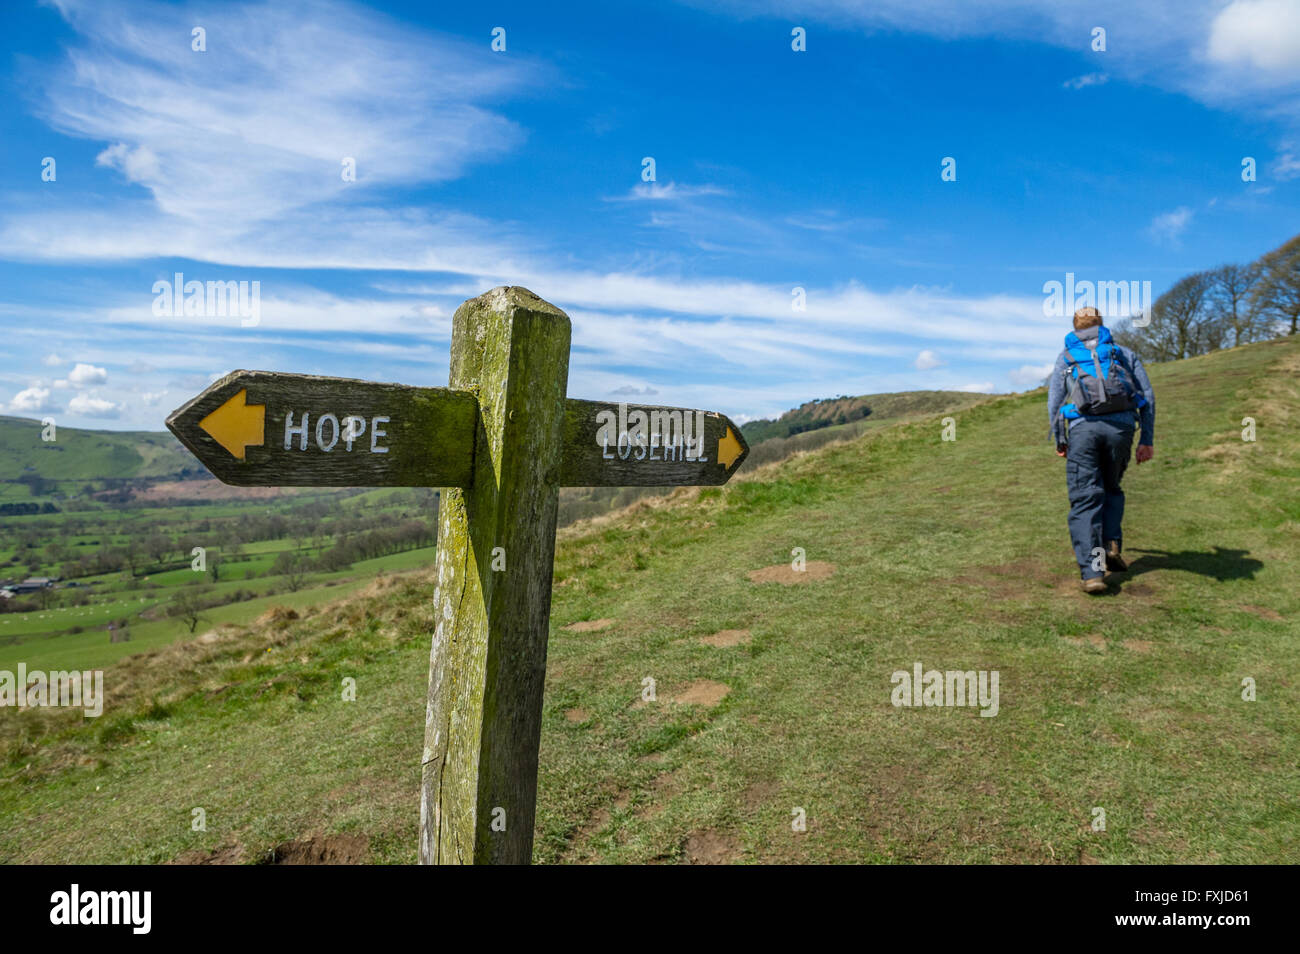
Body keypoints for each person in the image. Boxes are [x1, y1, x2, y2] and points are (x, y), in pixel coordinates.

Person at [1047, 306, 1155, 593]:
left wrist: (1060, 439)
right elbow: (1148, 396)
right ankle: (1111, 544)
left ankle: (1093, 573)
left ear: (1075, 327)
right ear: (1101, 325)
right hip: (1121, 430)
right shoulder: (1122, 353)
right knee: (1112, 487)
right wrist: (1147, 438)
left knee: (1085, 498)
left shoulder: (1067, 357)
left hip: (1084, 431)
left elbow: (1055, 402)